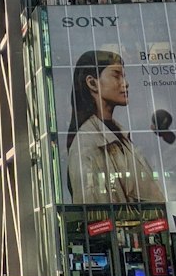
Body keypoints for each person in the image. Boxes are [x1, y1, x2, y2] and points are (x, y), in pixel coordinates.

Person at [66, 48, 163, 206]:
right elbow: (94, 210)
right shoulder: (86, 144)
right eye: (116, 76)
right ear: (92, 83)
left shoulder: (120, 135)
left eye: (123, 76)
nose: (125, 83)